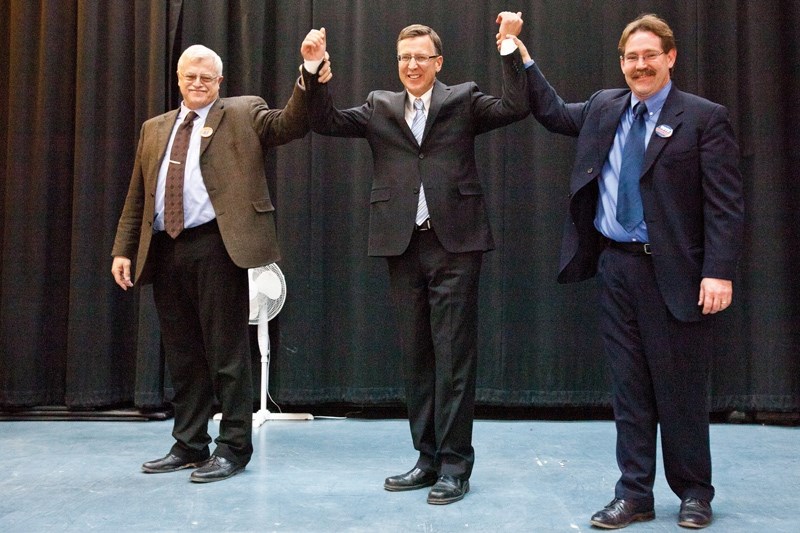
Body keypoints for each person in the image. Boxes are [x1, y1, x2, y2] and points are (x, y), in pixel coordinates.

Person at [508, 13, 744, 529]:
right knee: (630, 388)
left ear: (670, 57)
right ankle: (634, 494)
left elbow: (725, 205)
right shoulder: (603, 107)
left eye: (649, 56)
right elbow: (549, 112)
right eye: (631, 58)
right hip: (617, 268)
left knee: (680, 389)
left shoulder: (704, 118)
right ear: (622, 63)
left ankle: (694, 493)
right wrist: (519, 55)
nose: (640, 66)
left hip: (678, 273)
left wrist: (718, 272)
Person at [298, 12, 529, 505]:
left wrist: (509, 46)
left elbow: (516, 105)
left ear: (438, 61)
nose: (411, 65)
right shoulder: (380, 105)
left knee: (454, 357)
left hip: (456, 243)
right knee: (417, 355)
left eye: (420, 57)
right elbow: (324, 121)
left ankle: (455, 466)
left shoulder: (462, 99)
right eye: (404, 58)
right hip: (401, 244)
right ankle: (426, 459)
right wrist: (314, 71)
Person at [110, 44, 331, 483]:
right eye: (190, 77)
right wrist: (123, 249)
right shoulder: (153, 129)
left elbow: (290, 123)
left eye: (206, 78)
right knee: (183, 354)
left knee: (227, 353)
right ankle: (190, 443)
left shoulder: (243, 112)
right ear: (178, 79)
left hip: (217, 246)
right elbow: (138, 195)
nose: (197, 84)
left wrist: (308, 69)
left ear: (219, 82)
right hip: (164, 247)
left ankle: (233, 447)